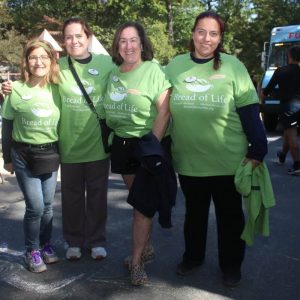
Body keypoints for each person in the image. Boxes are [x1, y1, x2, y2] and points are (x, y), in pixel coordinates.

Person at [165, 11, 268, 287]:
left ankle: (231, 265)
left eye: (213, 33)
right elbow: (160, 108)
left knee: (230, 217)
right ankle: (193, 257)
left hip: (228, 160)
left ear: (220, 37)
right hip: (188, 160)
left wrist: (258, 149)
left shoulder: (233, 66)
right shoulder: (175, 66)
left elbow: (249, 109)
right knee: (194, 215)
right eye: (201, 31)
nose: (206, 38)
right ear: (193, 33)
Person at [2, 18, 115, 260]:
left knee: (97, 198)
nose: (74, 41)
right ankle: (73, 241)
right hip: (67, 145)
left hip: (97, 145)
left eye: (79, 36)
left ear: (88, 38)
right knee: (71, 198)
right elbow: (33, 81)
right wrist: (10, 88)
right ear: (64, 41)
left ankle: (96, 241)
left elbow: (126, 77)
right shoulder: (57, 66)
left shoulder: (107, 63)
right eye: (69, 37)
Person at [103, 21, 173, 285]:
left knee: (142, 206)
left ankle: (135, 262)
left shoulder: (153, 70)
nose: (128, 46)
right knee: (140, 202)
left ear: (142, 43)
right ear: (117, 45)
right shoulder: (114, 73)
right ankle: (144, 248)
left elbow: (164, 111)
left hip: (148, 145)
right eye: (123, 40)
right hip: (122, 145)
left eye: (133, 40)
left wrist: (152, 149)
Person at [1, 39, 60, 273]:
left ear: (51, 60)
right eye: (33, 57)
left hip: (50, 153)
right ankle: (32, 250)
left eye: (44, 57)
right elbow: (6, 126)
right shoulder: (15, 89)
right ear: (26, 61)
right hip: (23, 154)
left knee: (48, 207)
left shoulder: (58, 89)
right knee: (35, 207)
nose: (39, 62)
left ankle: (46, 245)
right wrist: (6, 158)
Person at [261, 46, 300, 175]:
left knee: (291, 133)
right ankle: (282, 154)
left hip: (289, 106)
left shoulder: (281, 71)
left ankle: (297, 164)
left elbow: (267, 89)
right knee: (287, 133)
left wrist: (262, 100)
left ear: (289, 56)